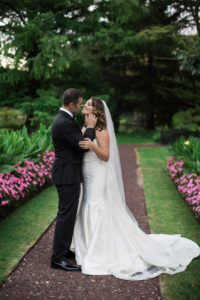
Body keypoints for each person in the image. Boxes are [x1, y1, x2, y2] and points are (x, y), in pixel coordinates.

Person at [71, 97, 200, 280]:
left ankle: (98, 249)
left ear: (97, 110)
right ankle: (86, 246)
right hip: (87, 171)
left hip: (98, 173)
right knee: (86, 203)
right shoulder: (86, 127)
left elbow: (106, 156)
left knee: (95, 204)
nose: (85, 105)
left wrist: (92, 145)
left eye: (89, 104)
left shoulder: (101, 130)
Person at [51, 88, 97, 272]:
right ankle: (58, 259)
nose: (81, 105)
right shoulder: (63, 122)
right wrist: (91, 127)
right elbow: (83, 146)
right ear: (71, 104)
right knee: (66, 215)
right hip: (66, 174)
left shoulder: (66, 119)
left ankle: (63, 250)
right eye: (79, 103)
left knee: (69, 214)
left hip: (68, 173)